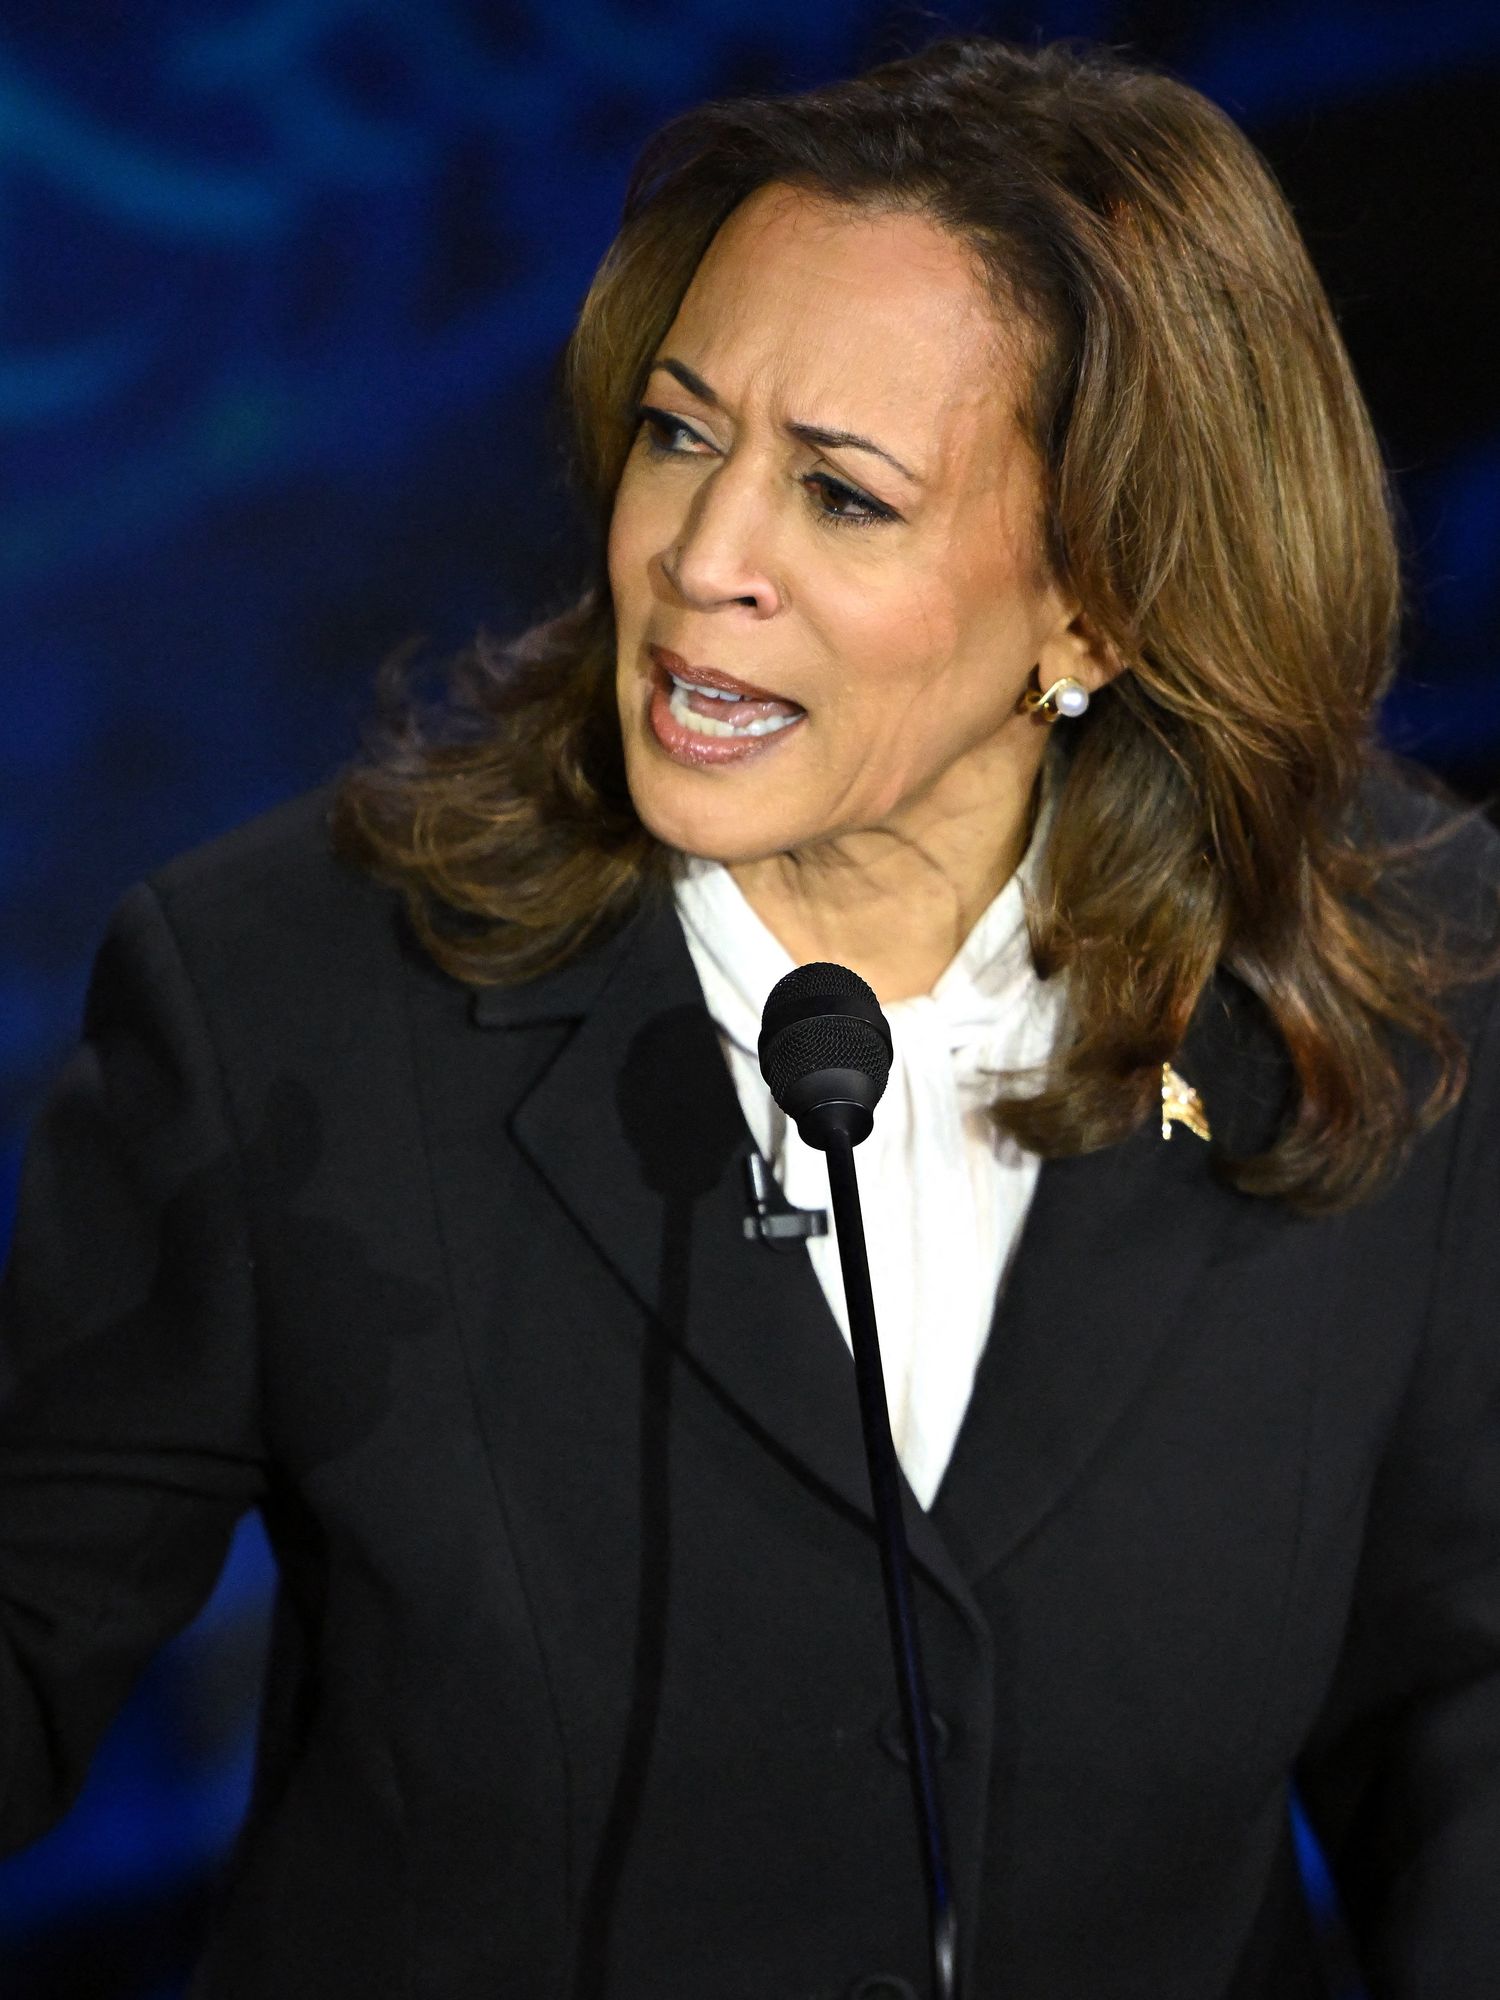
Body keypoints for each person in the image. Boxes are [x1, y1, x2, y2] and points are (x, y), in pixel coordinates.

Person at [2, 33, 1497, 2000]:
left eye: (841, 497)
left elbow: (1463, 1696)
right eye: (682, 434)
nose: (703, 563)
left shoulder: (1388, 964)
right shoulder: (290, 992)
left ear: (1097, 606)